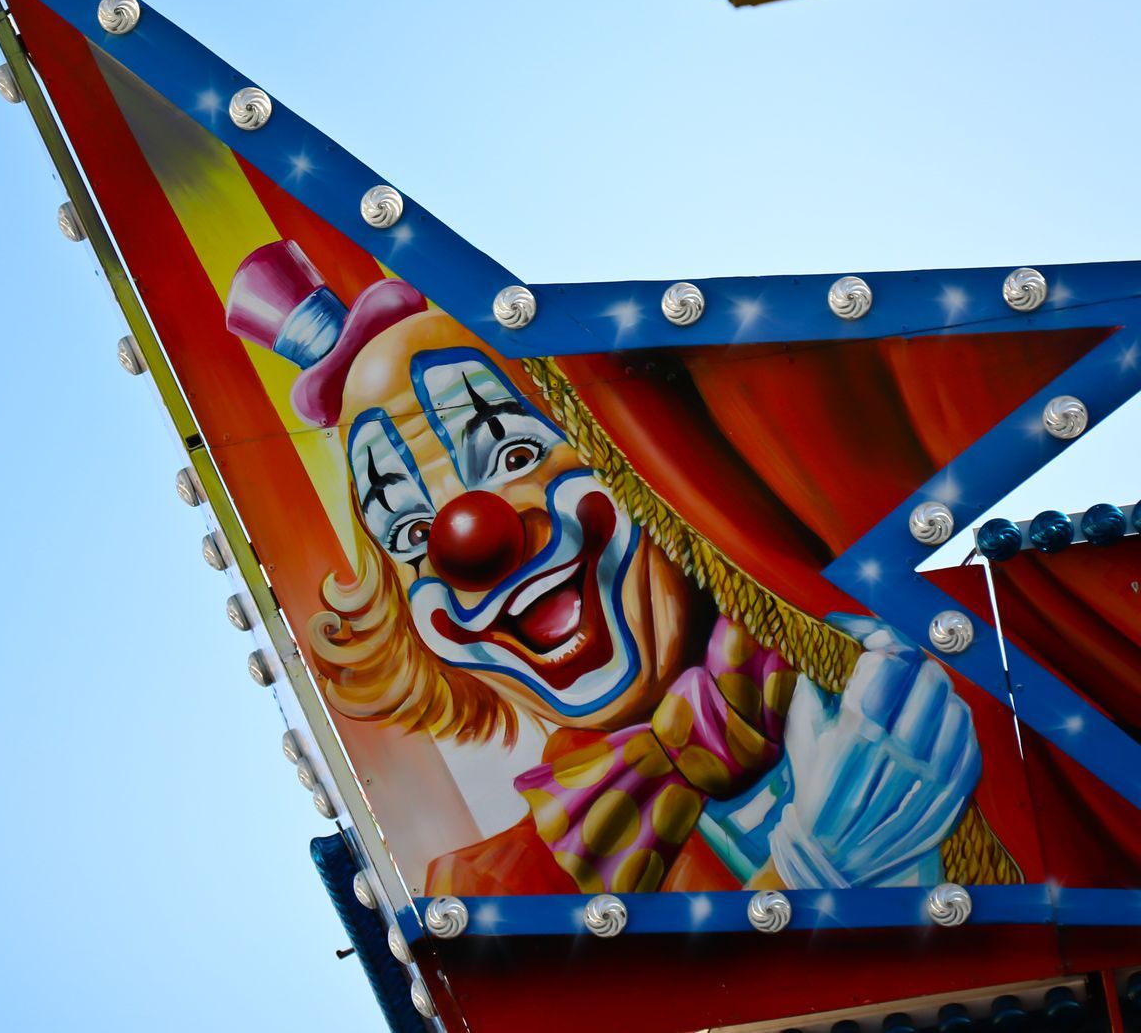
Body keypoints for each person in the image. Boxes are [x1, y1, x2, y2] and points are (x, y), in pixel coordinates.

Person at [224, 239, 1001, 896]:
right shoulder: (495, 895)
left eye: (516, 451)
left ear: (640, 459)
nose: (470, 539)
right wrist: (813, 878)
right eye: (412, 529)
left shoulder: (865, 642)